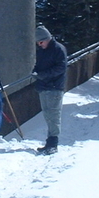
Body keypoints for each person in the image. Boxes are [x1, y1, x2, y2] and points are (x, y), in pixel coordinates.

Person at [32, 25, 67, 155]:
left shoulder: (58, 49)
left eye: (41, 42)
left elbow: (61, 68)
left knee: (53, 115)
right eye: (37, 43)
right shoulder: (42, 51)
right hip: (43, 87)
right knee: (47, 115)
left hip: (54, 87)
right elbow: (39, 65)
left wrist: (44, 74)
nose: (39, 45)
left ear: (47, 39)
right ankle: (49, 142)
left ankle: (53, 143)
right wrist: (36, 71)